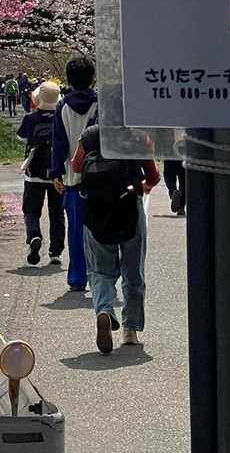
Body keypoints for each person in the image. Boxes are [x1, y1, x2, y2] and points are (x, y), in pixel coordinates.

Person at [69, 118, 159, 353]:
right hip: (130, 208)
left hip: (96, 210)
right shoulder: (138, 136)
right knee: (133, 272)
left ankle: (104, 311)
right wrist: (145, 185)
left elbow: (76, 166)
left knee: (99, 271)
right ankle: (130, 330)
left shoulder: (89, 135)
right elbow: (153, 175)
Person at [49, 56, 99, 292]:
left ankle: (77, 278)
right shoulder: (100, 104)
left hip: (72, 178)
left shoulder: (63, 107)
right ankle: (101, 275)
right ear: (93, 78)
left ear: (68, 79)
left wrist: (56, 173)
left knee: (76, 230)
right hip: (100, 178)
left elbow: (58, 143)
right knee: (101, 228)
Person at [16, 81, 65, 266]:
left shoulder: (31, 118)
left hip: (34, 173)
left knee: (31, 210)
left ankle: (34, 235)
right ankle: (56, 252)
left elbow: (21, 137)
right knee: (57, 213)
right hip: (58, 174)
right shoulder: (62, 117)